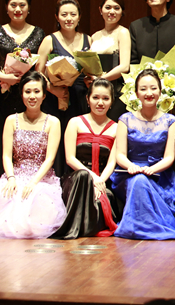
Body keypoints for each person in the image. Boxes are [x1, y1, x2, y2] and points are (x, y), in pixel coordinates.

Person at [0, 71, 67, 239]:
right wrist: (11, 178)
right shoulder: (11, 120)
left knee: (33, 225)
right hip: (15, 176)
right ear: (21, 94)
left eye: (36, 91)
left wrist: (33, 182)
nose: (32, 96)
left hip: (41, 178)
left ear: (44, 95)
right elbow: (7, 156)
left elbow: (50, 159)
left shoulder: (53, 122)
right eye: (27, 91)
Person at [0, 0, 46, 192]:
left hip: (29, 95)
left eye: (22, 5)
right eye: (13, 5)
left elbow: (39, 67)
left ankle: (29, 185)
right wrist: (6, 78)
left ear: (29, 8)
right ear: (6, 8)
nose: (18, 9)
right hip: (3, 93)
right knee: (0, 138)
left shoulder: (38, 33)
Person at [111, 68, 175, 240]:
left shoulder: (170, 121)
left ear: (160, 91)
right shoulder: (125, 119)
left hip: (160, 175)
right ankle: (141, 228)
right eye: (143, 89)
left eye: (153, 88)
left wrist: (152, 169)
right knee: (139, 180)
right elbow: (120, 154)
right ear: (136, 93)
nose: (148, 93)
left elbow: (170, 157)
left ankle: (145, 228)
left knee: (142, 179)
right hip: (129, 173)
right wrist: (132, 167)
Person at [50, 79, 121, 239]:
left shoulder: (117, 128)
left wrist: (100, 181)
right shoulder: (75, 122)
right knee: (83, 176)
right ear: (88, 99)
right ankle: (72, 230)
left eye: (105, 98)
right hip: (76, 180)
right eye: (96, 97)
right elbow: (70, 158)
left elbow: (112, 162)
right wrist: (93, 179)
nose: (100, 102)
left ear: (111, 102)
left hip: (102, 180)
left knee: (102, 199)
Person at [36, 0, 91, 177]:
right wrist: (54, 90)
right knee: (57, 144)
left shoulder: (88, 40)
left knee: (78, 142)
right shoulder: (49, 40)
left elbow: (91, 69)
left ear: (79, 17)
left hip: (80, 98)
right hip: (55, 99)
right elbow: (38, 74)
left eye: (73, 14)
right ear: (57, 17)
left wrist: (90, 80)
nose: (69, 18)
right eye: (64, 14)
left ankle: (77, 182)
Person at [90, 0, 130, 122]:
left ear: (122, 11)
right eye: (108, 7)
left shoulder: (123, 32)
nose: (112, 11)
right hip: (96, 92)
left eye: (116, 8)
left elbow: (124, 66)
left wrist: (101, 79)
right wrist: (90, 78)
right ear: (100, 10)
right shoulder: (94, 36)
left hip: (115, 91)